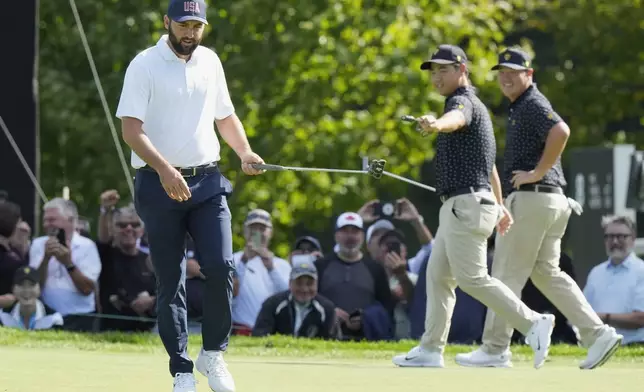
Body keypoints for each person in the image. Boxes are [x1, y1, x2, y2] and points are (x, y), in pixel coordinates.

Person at [115, 1, 265, 391]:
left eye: (197, 26)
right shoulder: (144, 64)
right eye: (183, 25)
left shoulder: (210, 62)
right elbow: (132, 130)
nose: (190, 33)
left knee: (220, 267)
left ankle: (212, 354)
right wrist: (165, 170)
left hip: (207, 181)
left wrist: (244, 151)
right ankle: (181, 369)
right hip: (156, 181)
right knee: (171, 280)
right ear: (167, 22)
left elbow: (225, 116)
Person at [455, 48, 623, 370]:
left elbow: (561, 131)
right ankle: (597, 334)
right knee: (548, 273)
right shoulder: (521, 106)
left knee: (505, 274)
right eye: (501, 72)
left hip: (534, 197)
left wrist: (536, 173)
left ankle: (494, 348)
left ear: (528, 75)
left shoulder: (532, 103)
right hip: (552, 201)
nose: (505, 77)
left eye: (512, 72)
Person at [392, 44, 555, 369]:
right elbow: (489, 167)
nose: (437, 77)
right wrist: (499, 204)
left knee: (472, 278)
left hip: (464, 205)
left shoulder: (462, 102)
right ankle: (430, 349)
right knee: (437, 276)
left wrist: (437, 124)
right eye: (433, 71)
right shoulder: (475, 108)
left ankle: (533, 323)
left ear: (462, 70)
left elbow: (456, 117)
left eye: (444, 69)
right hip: (465, 204)